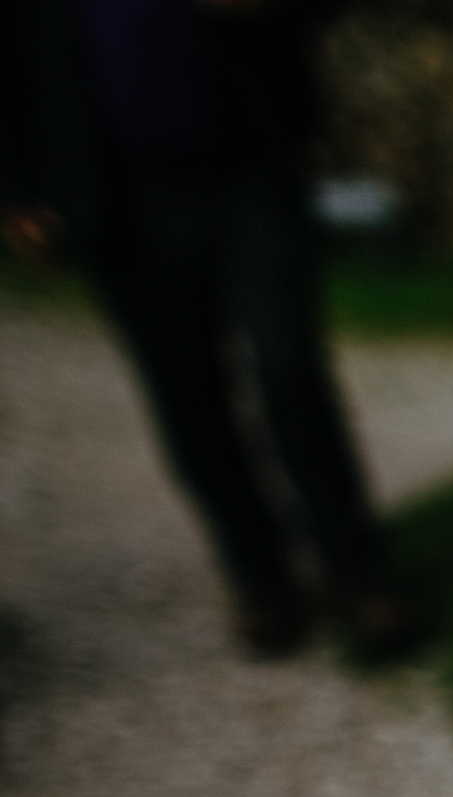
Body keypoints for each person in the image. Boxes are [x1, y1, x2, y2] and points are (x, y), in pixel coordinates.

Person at [0, 0, 422, 659]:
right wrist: (20, 190)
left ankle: (353, 569)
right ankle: (260, 579)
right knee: (187, 394)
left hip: (247, 162)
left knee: (289, 366)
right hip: (118, 192)